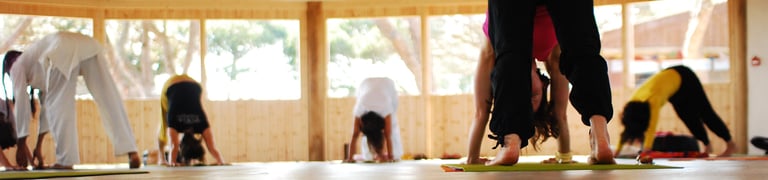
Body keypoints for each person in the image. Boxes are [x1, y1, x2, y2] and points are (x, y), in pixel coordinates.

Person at [483, 0, 616, 165]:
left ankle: (511, 141)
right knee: (582, 45)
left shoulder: (550, 61)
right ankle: (600, 135)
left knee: (510, 50)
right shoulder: (552, 58)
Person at [5, 32, 141, 169]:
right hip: (89, 45)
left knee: (60, 106)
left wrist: (21, 145)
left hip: (62, 47)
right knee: (109, 97)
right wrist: (38, 147)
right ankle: (131, 150)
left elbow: (21, 105)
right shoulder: (39, 65)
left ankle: (66, 160)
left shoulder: (16, 66)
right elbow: (46, 109)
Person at [467, 6, 575, 165]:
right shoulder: (552, 54)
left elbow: (481, 113)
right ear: (543, 84)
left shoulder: (493, 50)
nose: (524, 91)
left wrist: (472, 158)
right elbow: (560, 114)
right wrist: (564, 157)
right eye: (532, 96)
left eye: (520, 97)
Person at [616, 65, 737, 157]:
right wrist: (617, 151)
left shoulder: (653, 101)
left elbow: (651, 127)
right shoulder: (632, 105)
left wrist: (647, 149)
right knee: (688, 118)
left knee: (705, 112)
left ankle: (730, 144)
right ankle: (707, 146)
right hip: (672, 89)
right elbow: (628, 128)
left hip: (685, 77)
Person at [158, 74, 224, 166]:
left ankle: (161, 158)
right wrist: (220, 161)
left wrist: (172, 163)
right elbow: (212, 148)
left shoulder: (200, 124)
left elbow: (174, 146)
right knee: (164, 124)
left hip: (191, 86)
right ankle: (161, 158)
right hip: (184, 85)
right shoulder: (177, 123)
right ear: (182, 145)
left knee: (163, 125)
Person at [343, 77, 403, 163]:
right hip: (365, 85)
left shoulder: (386, 109)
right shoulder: (360, 109)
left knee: (392, 127)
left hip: (387, 85)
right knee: (385, 132)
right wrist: (350, 158)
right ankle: (369, 155)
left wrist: (390, 157)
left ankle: (390, 154)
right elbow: (355, 134)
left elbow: (388, 135)